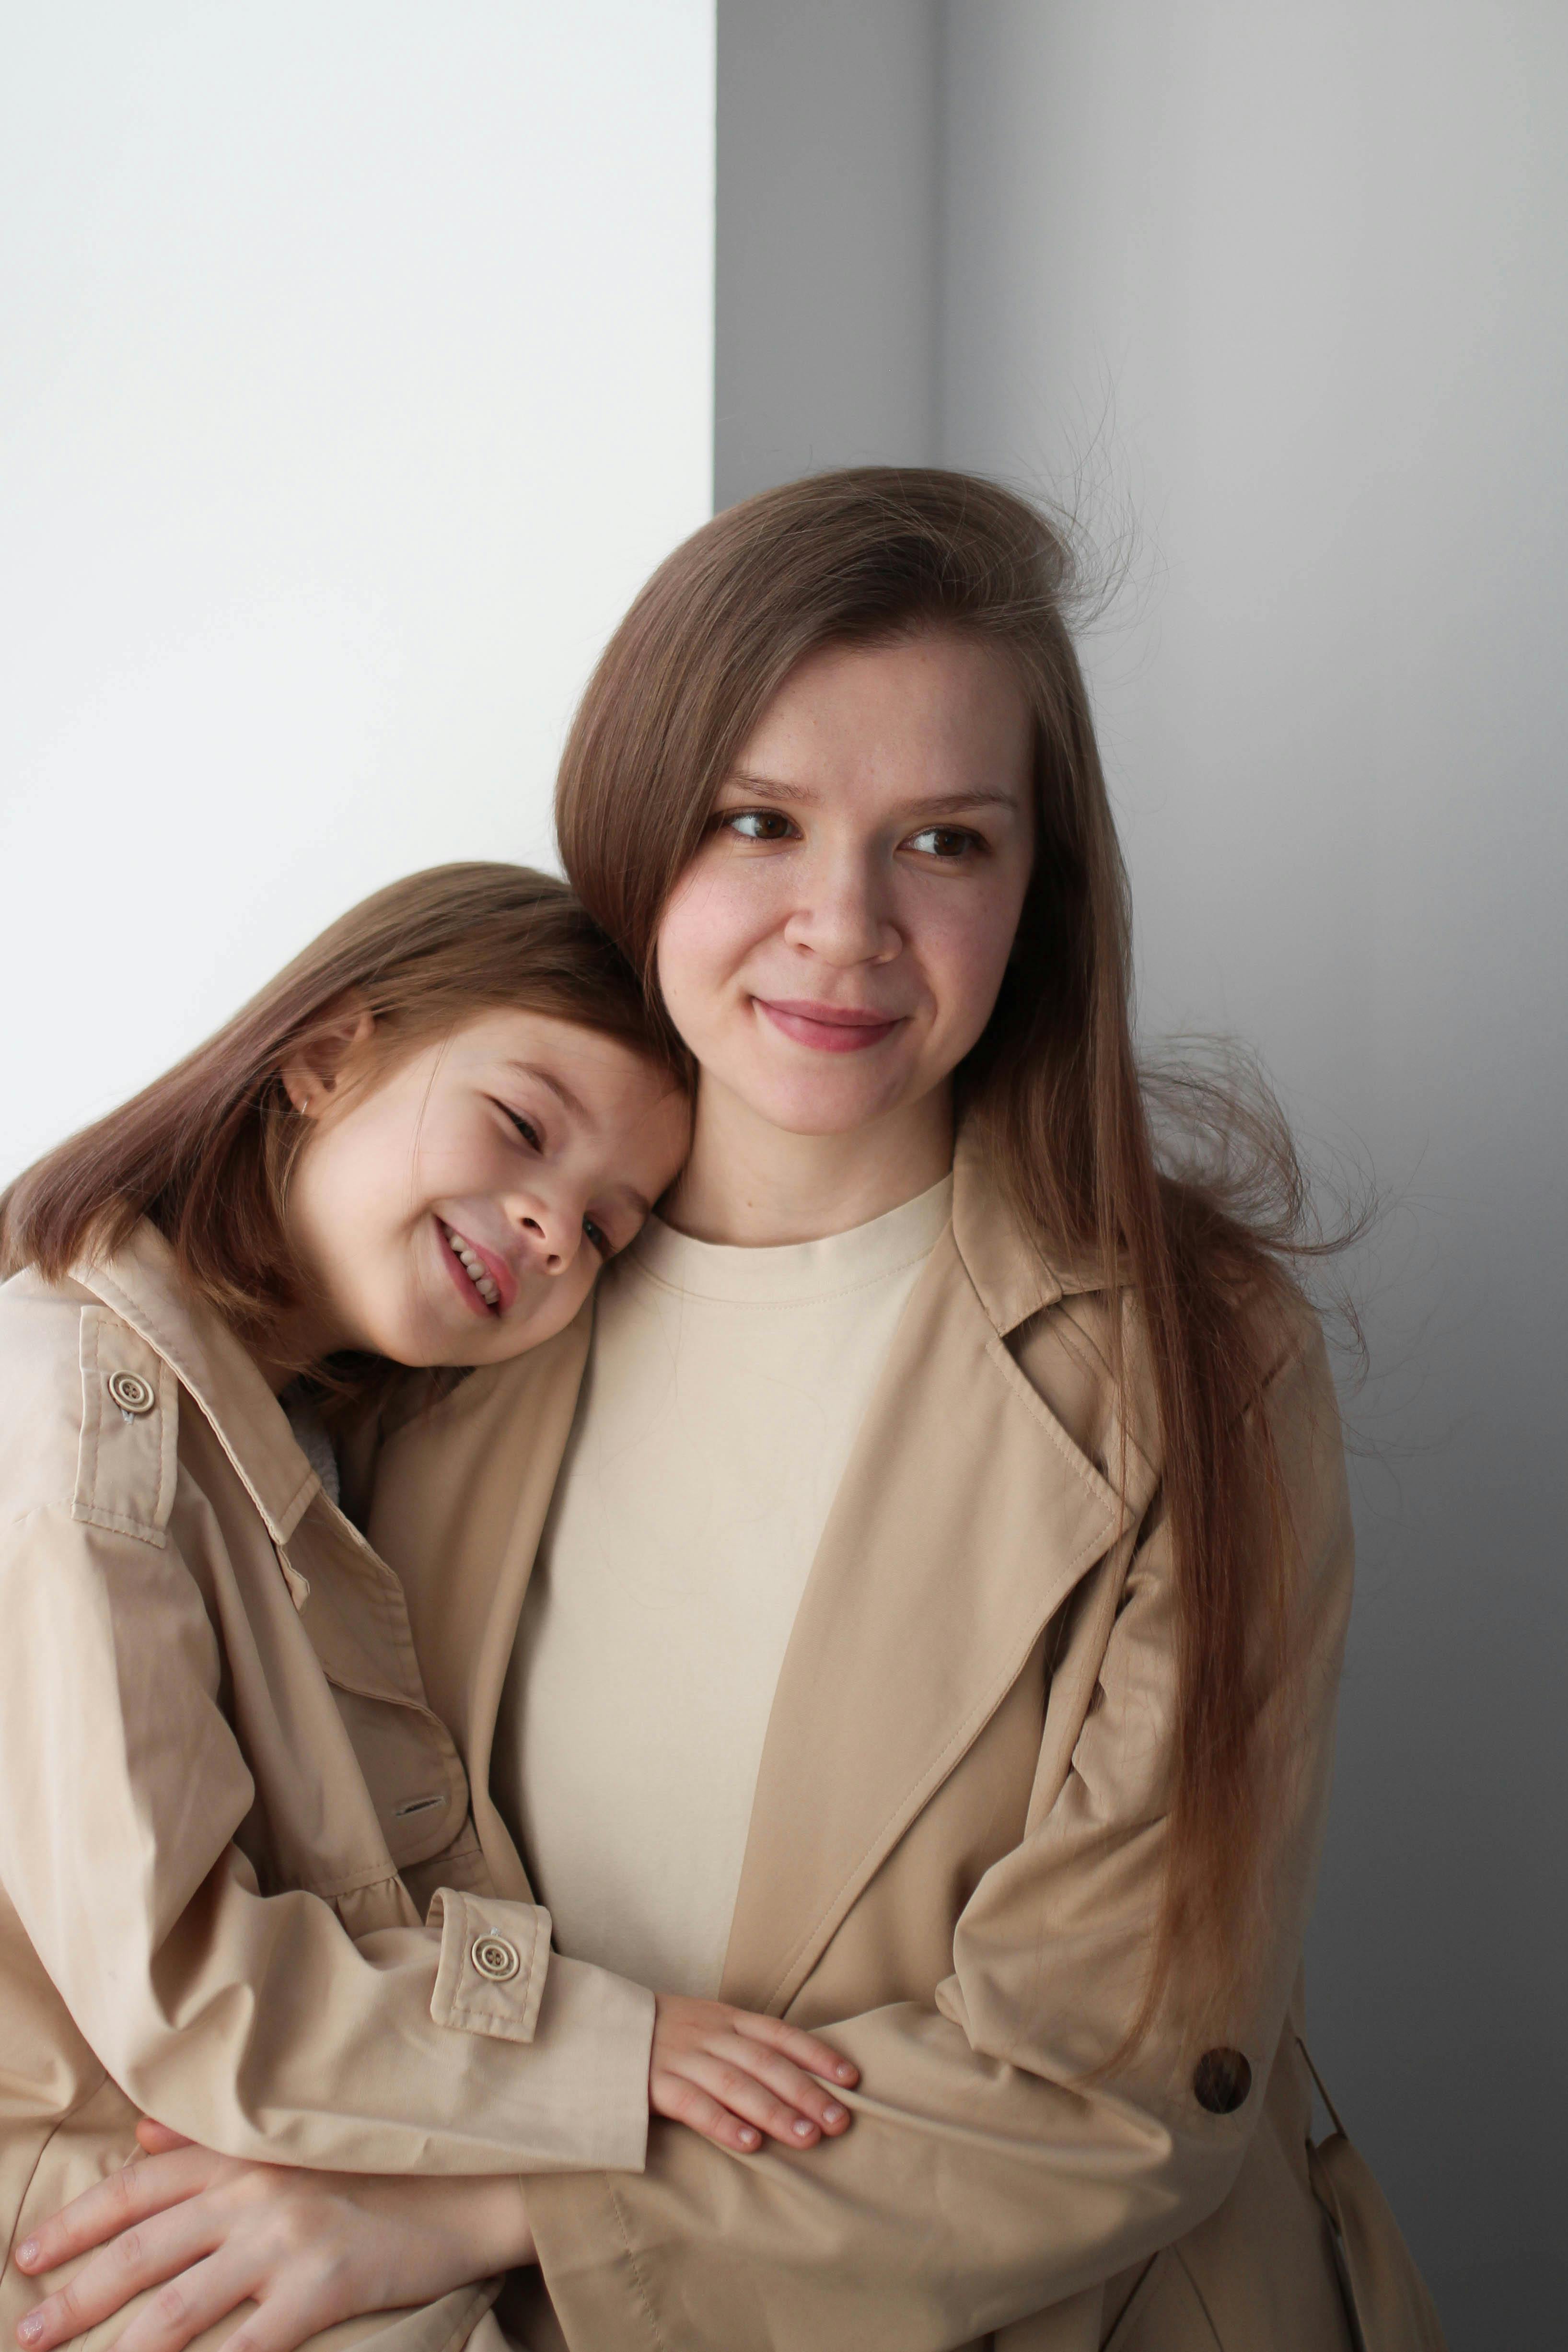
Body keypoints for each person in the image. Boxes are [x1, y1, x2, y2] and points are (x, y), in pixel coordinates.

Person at [15, 477, 1445, 2351]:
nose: (838, 926)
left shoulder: (1192, 1355)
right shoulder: (440, 1338)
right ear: (638, 830)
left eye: (942, 840)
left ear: (1038, 896)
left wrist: (496, 2214)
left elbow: (1109, 2080)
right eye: (758, 822)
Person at [0, 863, 867, 2352]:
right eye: (523, 1126)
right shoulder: (87, 1414)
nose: (550, 1226)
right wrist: (615, 2040)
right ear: (331, 1053)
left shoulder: (319, 1443)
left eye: (608, 1227)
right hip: (131, 2257)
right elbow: (191, 1988)